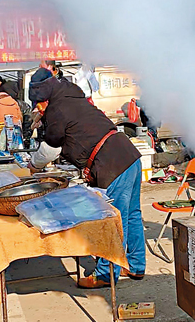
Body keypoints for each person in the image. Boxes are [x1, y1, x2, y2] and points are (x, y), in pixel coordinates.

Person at [28, 68, 146, 288]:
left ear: (44, 99)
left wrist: (34, 165)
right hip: (128, 154)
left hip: (112, 163)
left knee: (112, 220)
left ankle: (106, 274)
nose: (37, 108)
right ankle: (136, 266)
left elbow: (51, 149)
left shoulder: (57, 110)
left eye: (38, 104)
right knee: (131, 215)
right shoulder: (71, 95)